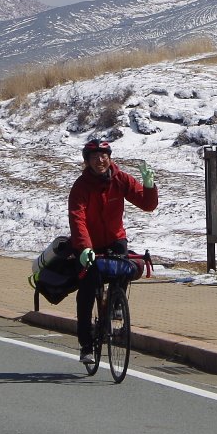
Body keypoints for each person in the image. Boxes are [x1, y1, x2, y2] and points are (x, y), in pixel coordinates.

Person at [68, 137, 159, 360]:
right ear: (87, 161)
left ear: (110, 158)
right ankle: (86, 345)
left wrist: (149, 186)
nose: (100, 160)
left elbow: (147, 205)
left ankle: (116, 302)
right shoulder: (81, 186)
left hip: (115, 240)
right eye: (94, 157)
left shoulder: (120, 179)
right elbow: (77, 218)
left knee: (124, 267)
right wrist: (85, 247)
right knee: (87, 289)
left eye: (103, 156)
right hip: (89, 244)